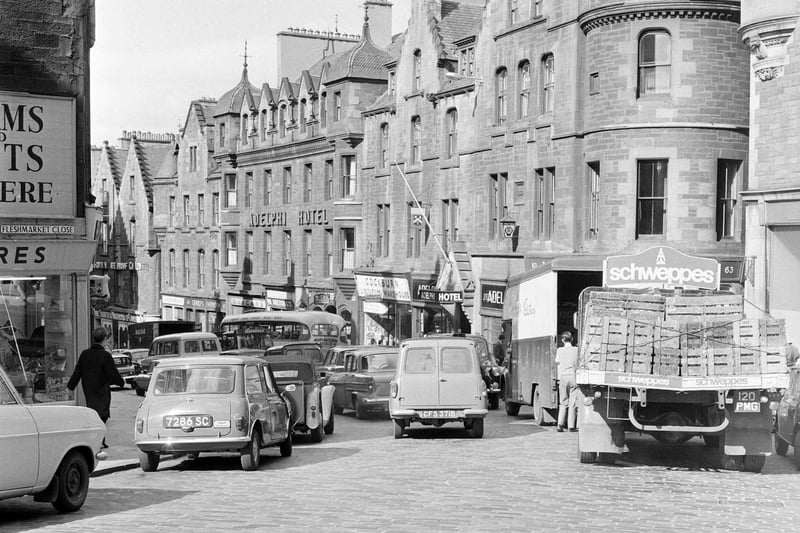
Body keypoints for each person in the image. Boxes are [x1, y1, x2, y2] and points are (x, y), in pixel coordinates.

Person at [68, 327, 124, 448]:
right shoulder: (105, 356)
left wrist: (70, 386)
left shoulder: (85, 354)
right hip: (102, 389)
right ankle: (97, 439)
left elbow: (77, 372)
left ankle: (99, 438)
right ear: (104, 339)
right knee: (102, 415)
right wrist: (121, 382)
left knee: (95, 413)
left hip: (89, 389)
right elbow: (113, 373)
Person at [555, 331, 579, 432]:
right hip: (573, 376)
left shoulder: (559, 350)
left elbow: (557, 361)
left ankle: (560, 424)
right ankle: (571, 426)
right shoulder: (576, 350)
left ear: (562, 340)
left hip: (563, 377)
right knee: (573, 402)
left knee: (563, 402)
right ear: (572, 339)